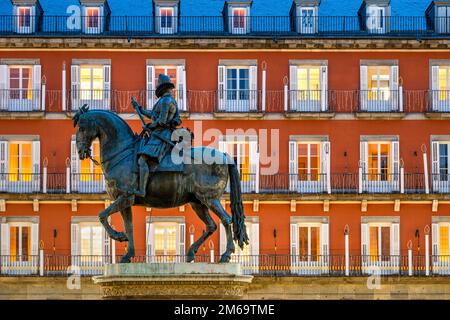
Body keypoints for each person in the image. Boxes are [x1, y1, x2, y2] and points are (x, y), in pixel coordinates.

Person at [132, 74, 182, 197]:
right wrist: (139, 109)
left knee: (142, 159)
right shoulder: (165, 100)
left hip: (163, 134)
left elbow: (162, 121)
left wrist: (150, 126)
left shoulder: (166, 101)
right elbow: (154, 116)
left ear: (161, 87)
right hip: (159, 133)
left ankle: (142, 190)